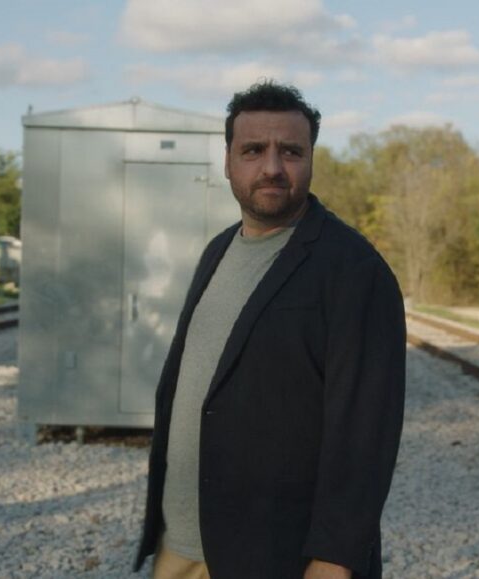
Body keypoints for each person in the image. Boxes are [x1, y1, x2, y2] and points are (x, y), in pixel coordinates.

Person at [134, 80, 406, 579]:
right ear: (228, 161)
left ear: (311, 159)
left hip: (275, 555)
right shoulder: (218, 250)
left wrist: (334, 559)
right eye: (254, 150)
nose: (272, 167)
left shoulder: (353, 270)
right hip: (182, 546)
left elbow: (366, 432)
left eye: (291, 151)